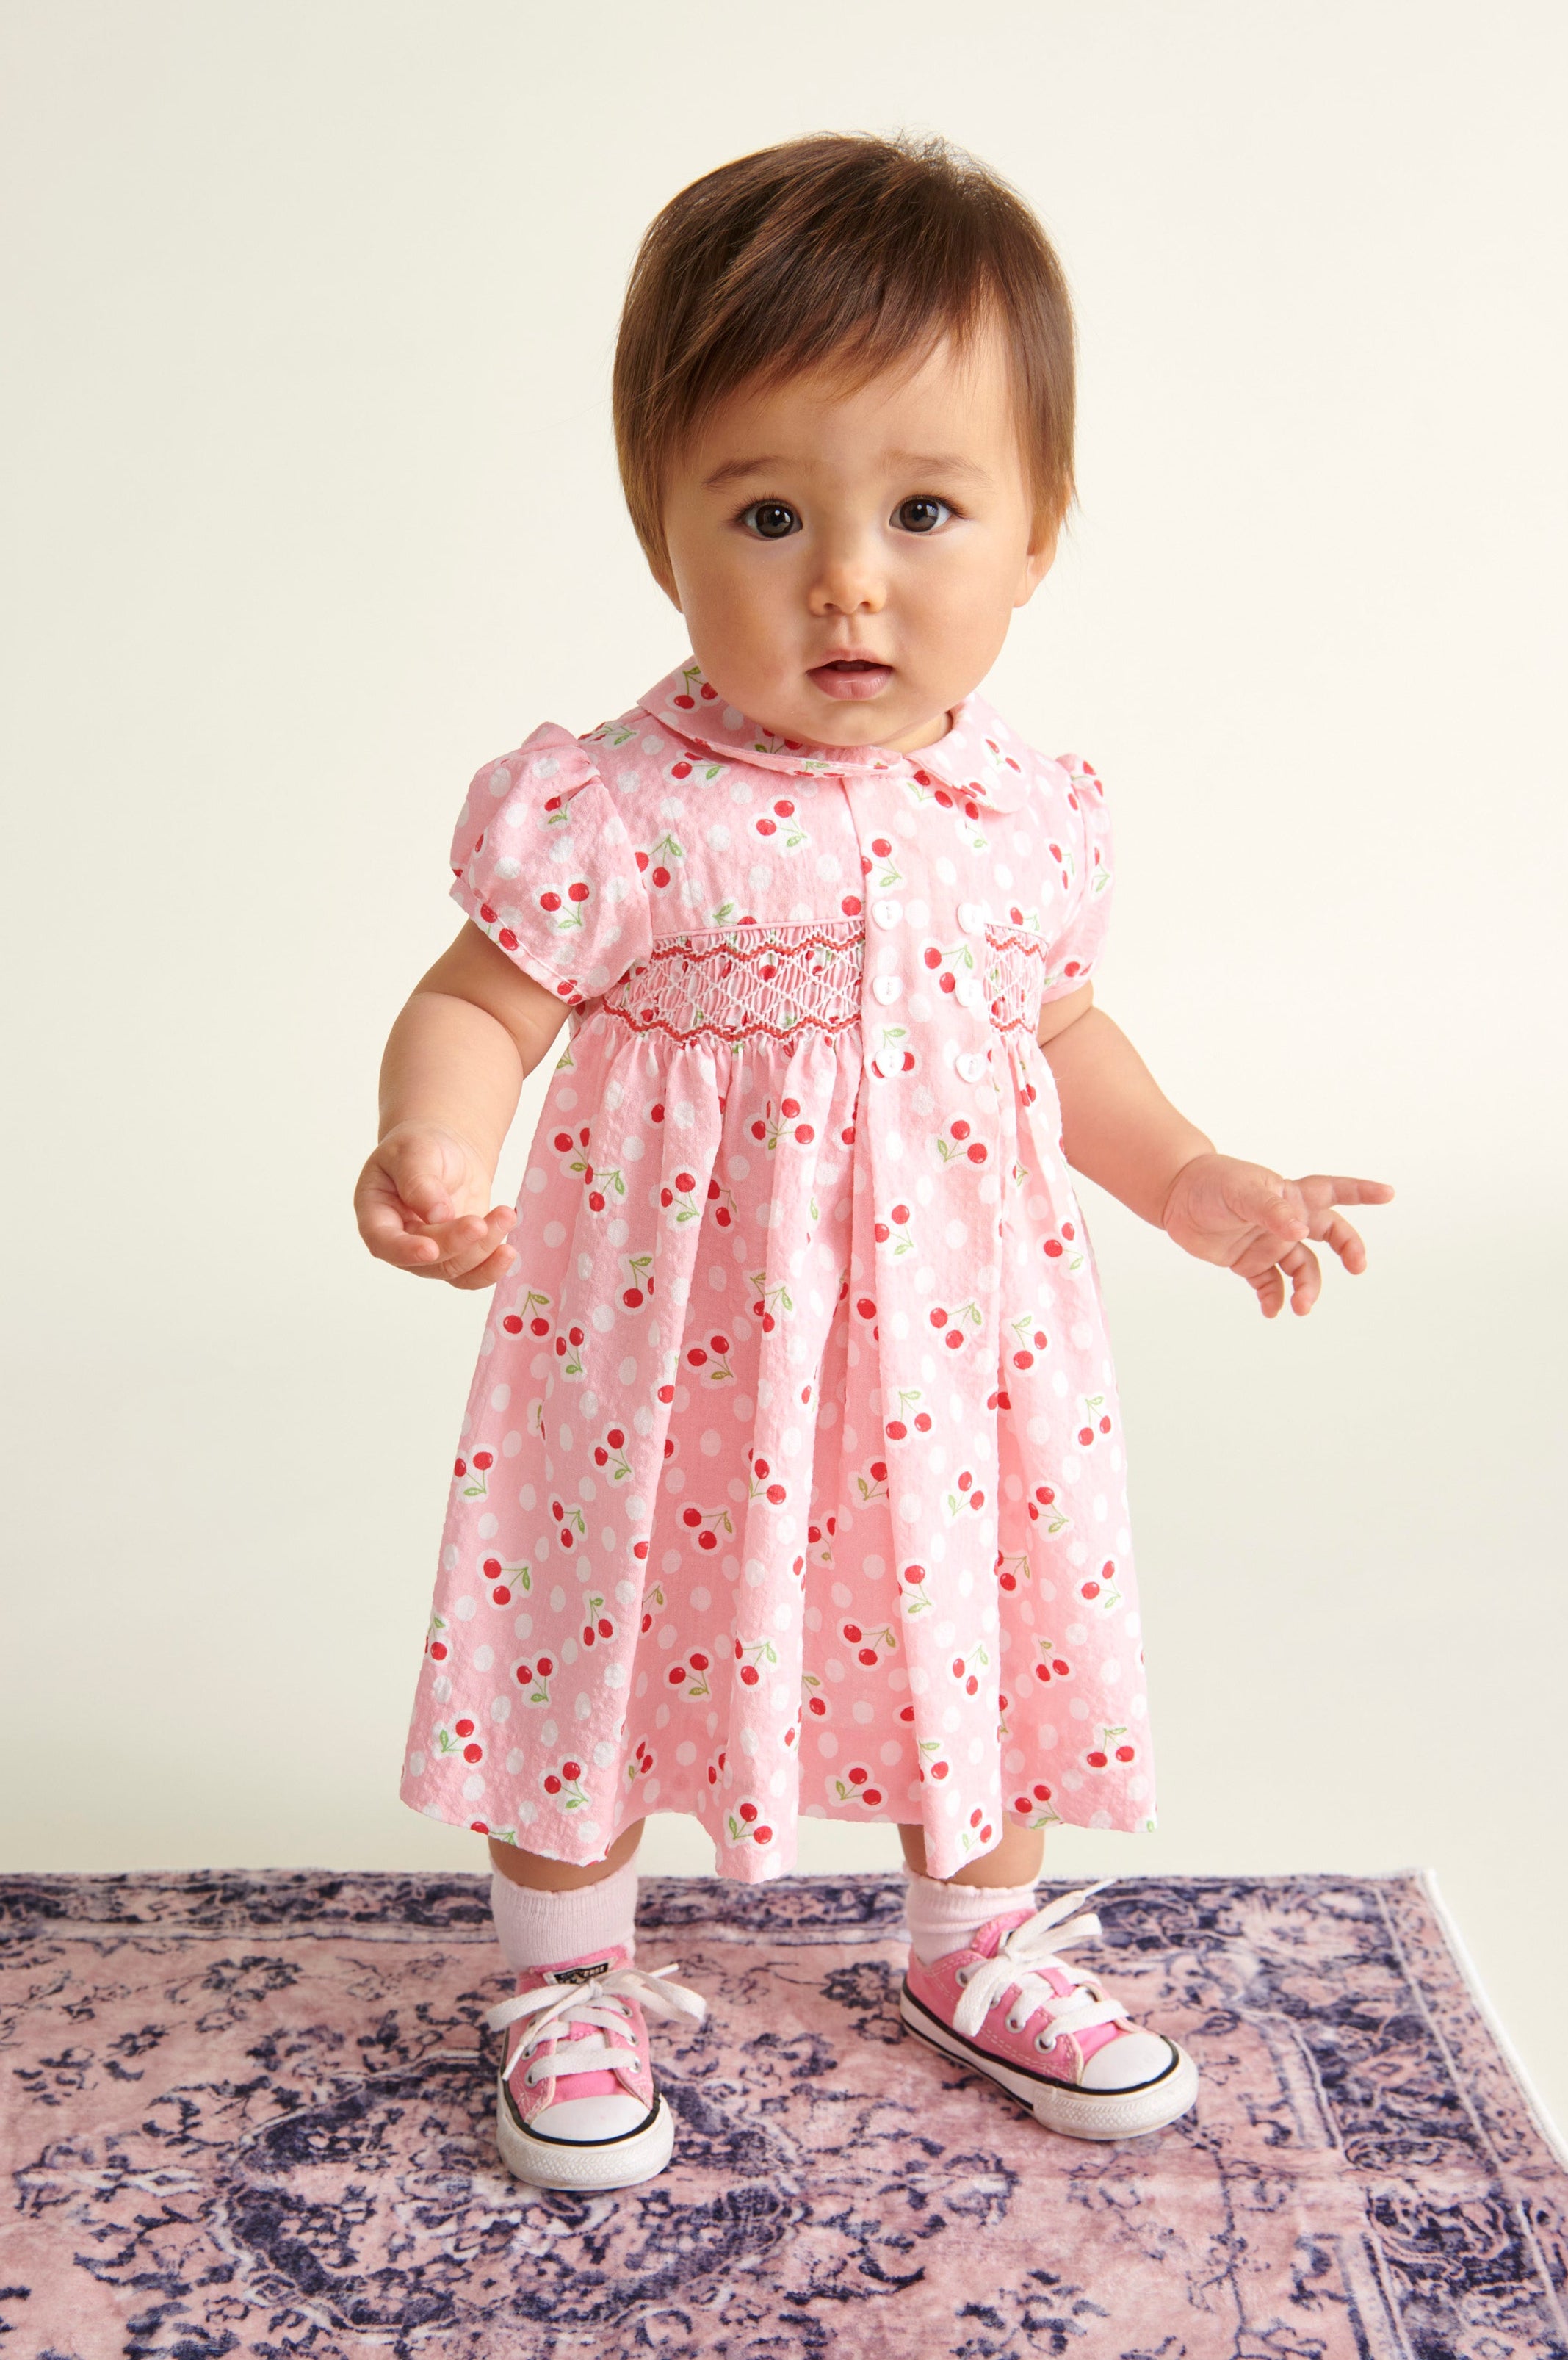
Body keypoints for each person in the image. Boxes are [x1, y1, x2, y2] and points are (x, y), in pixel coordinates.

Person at [354, 133, 1392, 2193]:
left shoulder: (1027, 815)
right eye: (767, 511)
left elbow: (1061, 1036)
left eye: (925, 509)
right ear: (663, 533)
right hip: (664, 1355)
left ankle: (974, 1938)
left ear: (1036, 534)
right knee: (599, 1611)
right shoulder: (622, 807)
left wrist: (1197, 1181)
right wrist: (432, 1136)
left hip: (951, 1354)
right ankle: (567, 1967)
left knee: (973, 1619)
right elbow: (484, 1001)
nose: (848, 576)